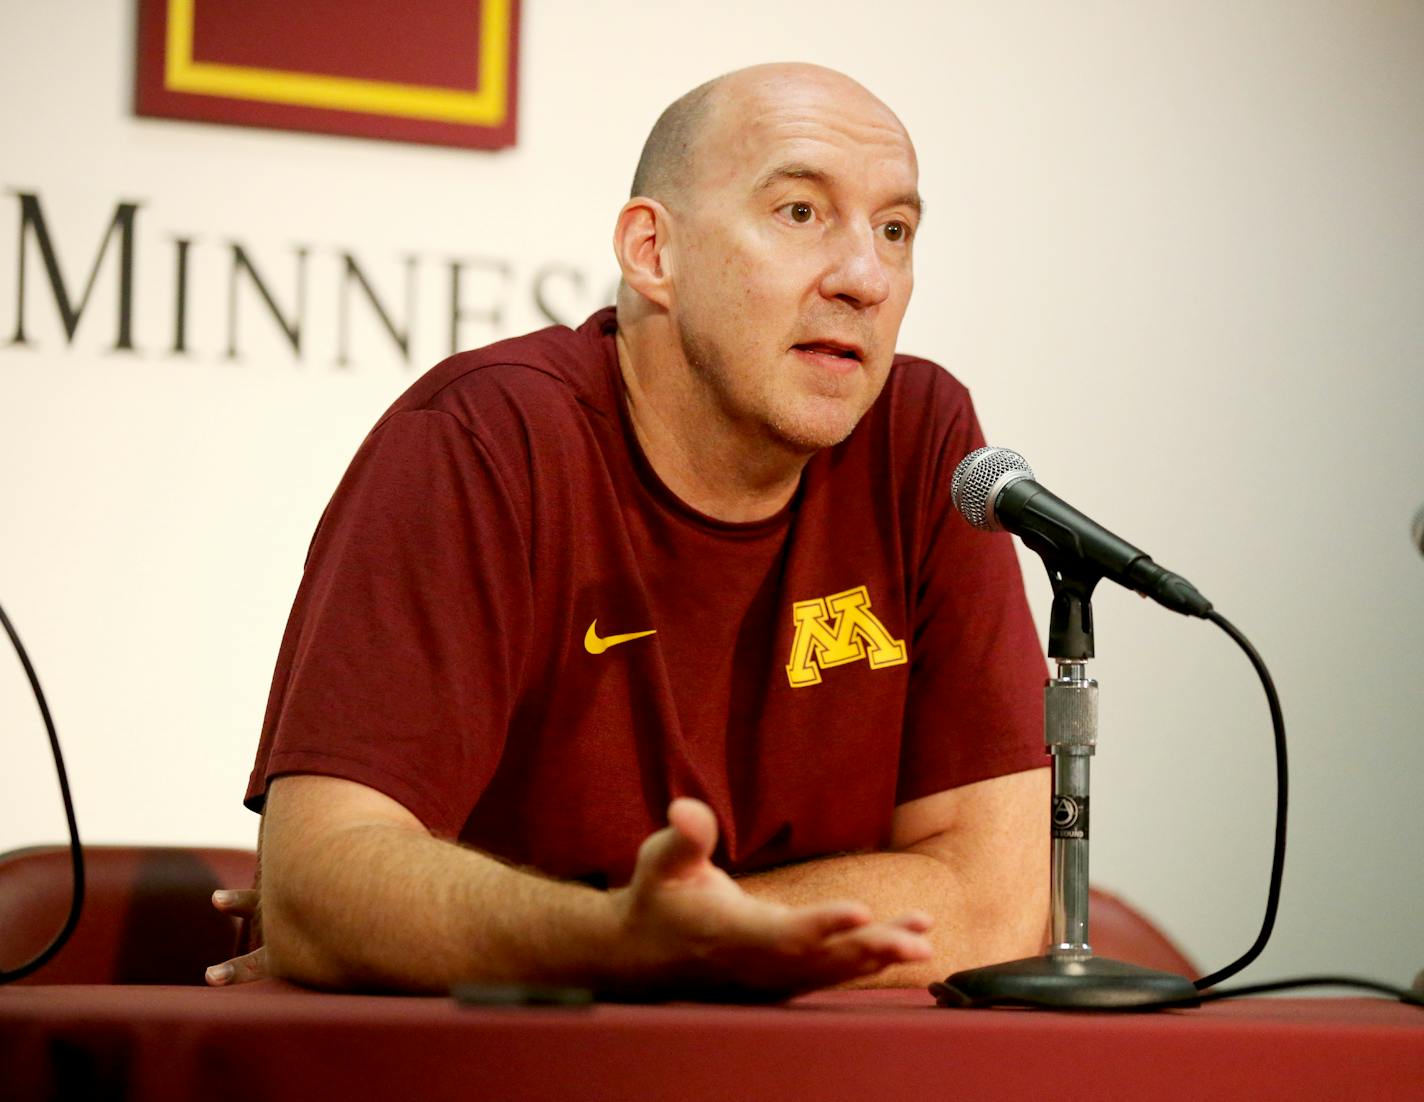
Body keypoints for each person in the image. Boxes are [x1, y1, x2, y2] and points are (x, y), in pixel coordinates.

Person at [210, 62, 1050, 998]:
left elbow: (999, 908)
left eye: (895, 231)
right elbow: (326, 887)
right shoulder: (486, 439)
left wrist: (668, 942)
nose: (865, 277)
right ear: (653, 251)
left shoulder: (920, 440)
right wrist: (619, 937)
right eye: (801, 213)